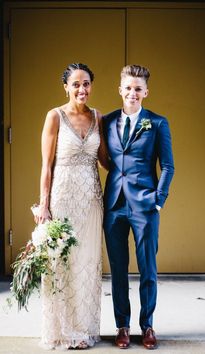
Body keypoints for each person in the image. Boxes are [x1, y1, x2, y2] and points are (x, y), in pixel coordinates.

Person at [34, 63, 108, 350]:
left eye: (86, 83)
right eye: (76, 84)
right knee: (60, 264)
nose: (82, 89)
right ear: (65, 86)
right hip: (63, 196)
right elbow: (46, 165)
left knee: (87, 262)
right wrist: (44, 204)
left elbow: (104, 160)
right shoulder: (55, 116)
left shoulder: (98, 117)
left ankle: (83, 330)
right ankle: (61, 331)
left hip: (91, 199)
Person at [103, 64, 174, 350]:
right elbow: (107, 159)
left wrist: (158, 201)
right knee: (118, 270)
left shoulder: (157, 123)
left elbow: (168, 166)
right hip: (114, 206)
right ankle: (122, 325)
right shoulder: (106, 121)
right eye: (128, 88)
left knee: (148, 269)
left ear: (146, 92)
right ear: (120, 90)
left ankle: (148, 327)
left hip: (145, 206)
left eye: (138, 89)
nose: (133, 93)